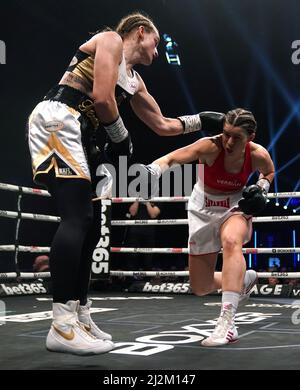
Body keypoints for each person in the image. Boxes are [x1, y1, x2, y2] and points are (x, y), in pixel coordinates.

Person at [27, 12, 220, 356]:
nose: (158, 52)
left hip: (83, 134)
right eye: (155, 43)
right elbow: (102, 98)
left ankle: (80, 315)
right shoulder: (110, 40)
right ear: (140, 31)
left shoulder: (134, 81)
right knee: (77, 219)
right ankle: (61, 323)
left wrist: (200, 120)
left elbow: (162, 125)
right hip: (59, 118)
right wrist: (120, 136)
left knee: (90, 227)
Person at [137, 108, 275, 347]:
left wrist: (262, 187)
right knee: (200, 287)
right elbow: (170, 158)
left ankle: (227, 323)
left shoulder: (258, 154)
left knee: (232, 241)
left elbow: (269, 172)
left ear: (250, 137)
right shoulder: (209, 146)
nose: (229, 142)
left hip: (235, 205)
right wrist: (152, 171)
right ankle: (240, 281)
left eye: (237, 137)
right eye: (226, 134)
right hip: (202, 208)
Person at [122, 201, 161, 270]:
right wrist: (138, 199)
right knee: (132, 256)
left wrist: (147, 202)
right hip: (134, 232)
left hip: (149, 233)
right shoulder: (134, 197)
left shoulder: (155, 198)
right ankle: (131, 279)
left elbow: (153, 214)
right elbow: (132, 212)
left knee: (148, 258)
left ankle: (147, 279)